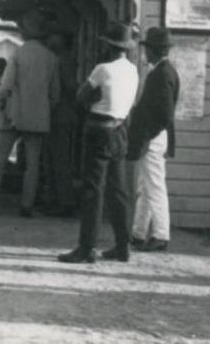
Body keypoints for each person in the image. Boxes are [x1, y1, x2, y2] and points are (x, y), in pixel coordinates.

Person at [58, 21, 139, 264]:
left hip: (99, 129)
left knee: (93, 190)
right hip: (120, 130)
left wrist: (95, 98)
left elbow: (81, 95)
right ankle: (123, 246)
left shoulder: (102, 69)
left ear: (108, 45)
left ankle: (87, 247)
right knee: (119, 191)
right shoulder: (133, 70)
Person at [0, 9, 59, 218]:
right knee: (32, 164)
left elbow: (5, 86)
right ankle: (26, 205)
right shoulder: (51, 58)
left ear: (24, 33)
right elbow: (55, 93)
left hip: (12, 114)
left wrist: (3, 105)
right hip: (38, 117)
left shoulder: (18, 54)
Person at [128, 27, 179, 253]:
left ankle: (160, 234)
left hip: (153, 136)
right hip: (156, 135)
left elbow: (165, 114)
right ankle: (139, 233)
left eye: (148, 49)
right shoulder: (166, 72)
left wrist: (148, 135)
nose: (145, 53)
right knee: (146, 185)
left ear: (155, 51)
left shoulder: (161, 74)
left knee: (154, 186)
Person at [42, 30, 79, 217]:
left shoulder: (62, 60)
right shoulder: (58, 58)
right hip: (57, 115)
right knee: (52, 159)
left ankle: (64, 201)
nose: (48, 37)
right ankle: (54, 199)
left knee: (59, 159)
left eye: (52, 33)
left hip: (61, 115)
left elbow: (71, 86)